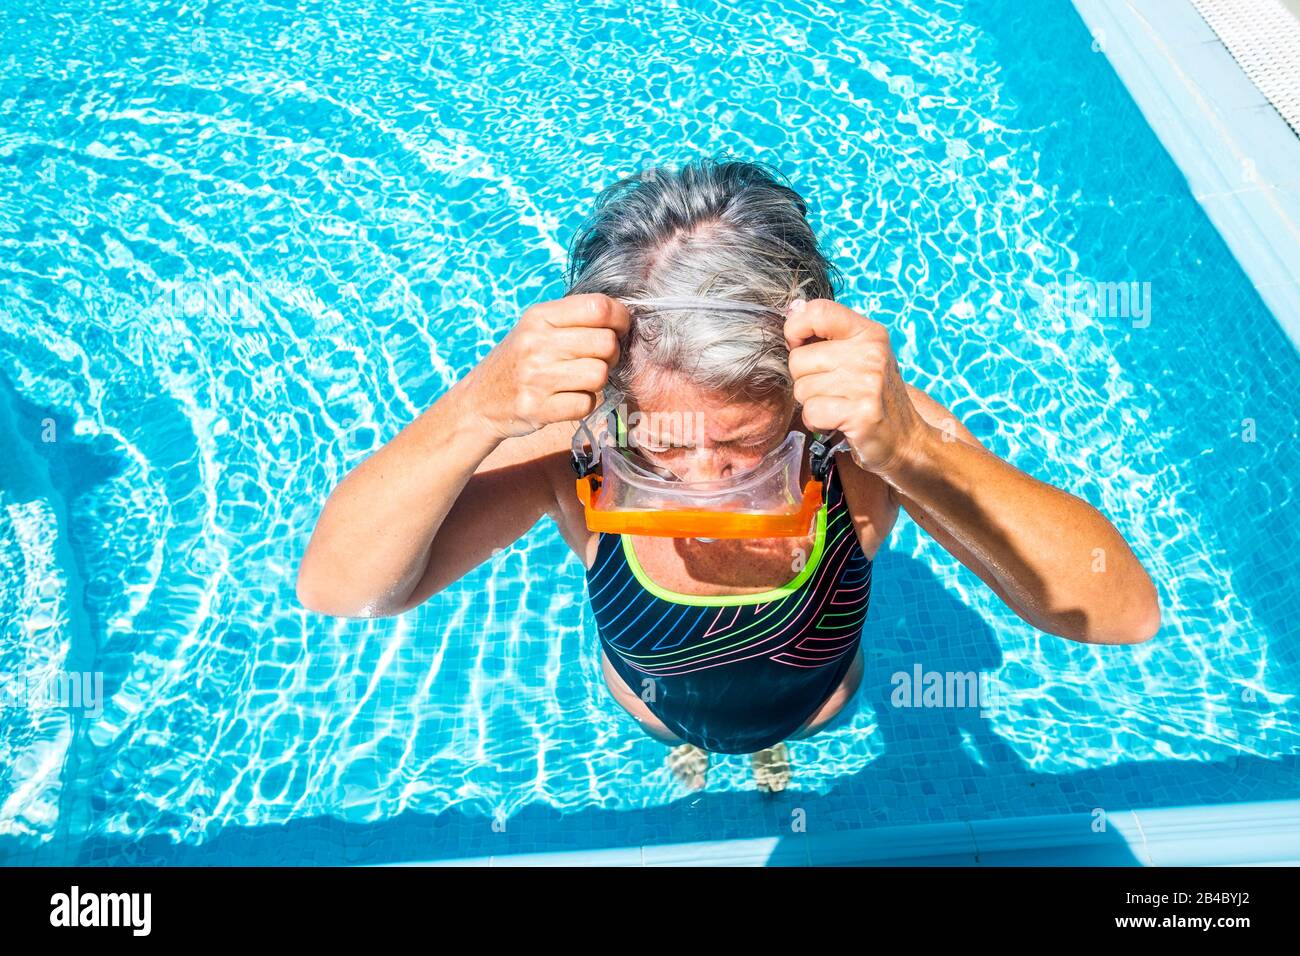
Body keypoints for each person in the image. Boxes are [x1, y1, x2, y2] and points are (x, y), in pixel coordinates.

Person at [297, 158, 1159, 792]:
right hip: (651, 703)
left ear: (800, 396)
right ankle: (699, 746)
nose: (705, 485)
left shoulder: (870, 443)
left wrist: (917, 453)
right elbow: (346, 590)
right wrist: (477, 410)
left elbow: (1121, 614)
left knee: (778, 735)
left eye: (745, 446)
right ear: (610, 404)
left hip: (822, 697)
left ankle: (760, 748)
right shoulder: (577, 447)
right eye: (662, 450)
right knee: (692, 737)